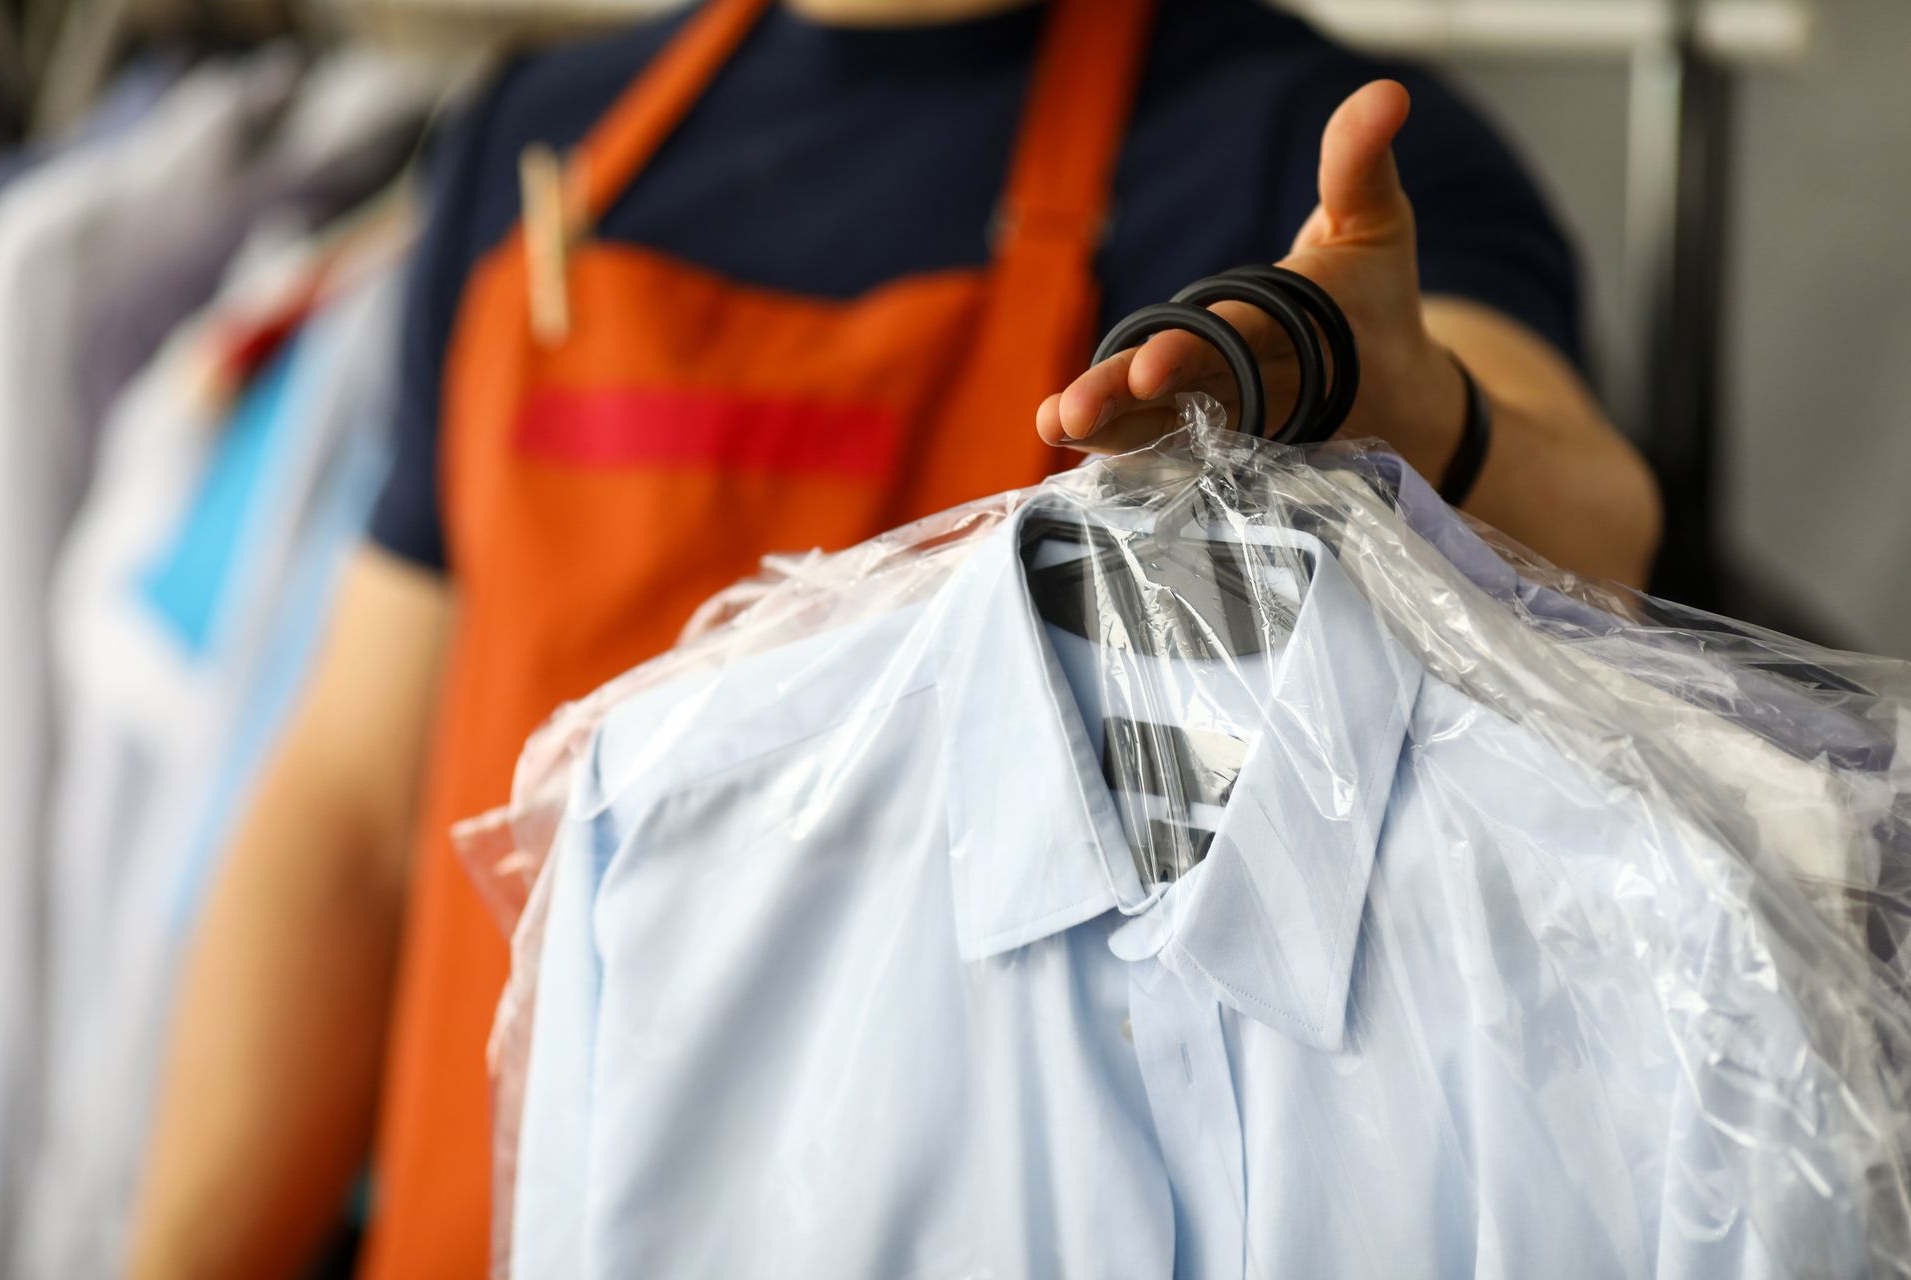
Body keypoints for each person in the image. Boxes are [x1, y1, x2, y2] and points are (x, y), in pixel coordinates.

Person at [126, 0, 1659, 1275]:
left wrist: (1414, 423)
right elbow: (353, 813)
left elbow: (1596, 534)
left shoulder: (1294, 139)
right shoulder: (547, 139)